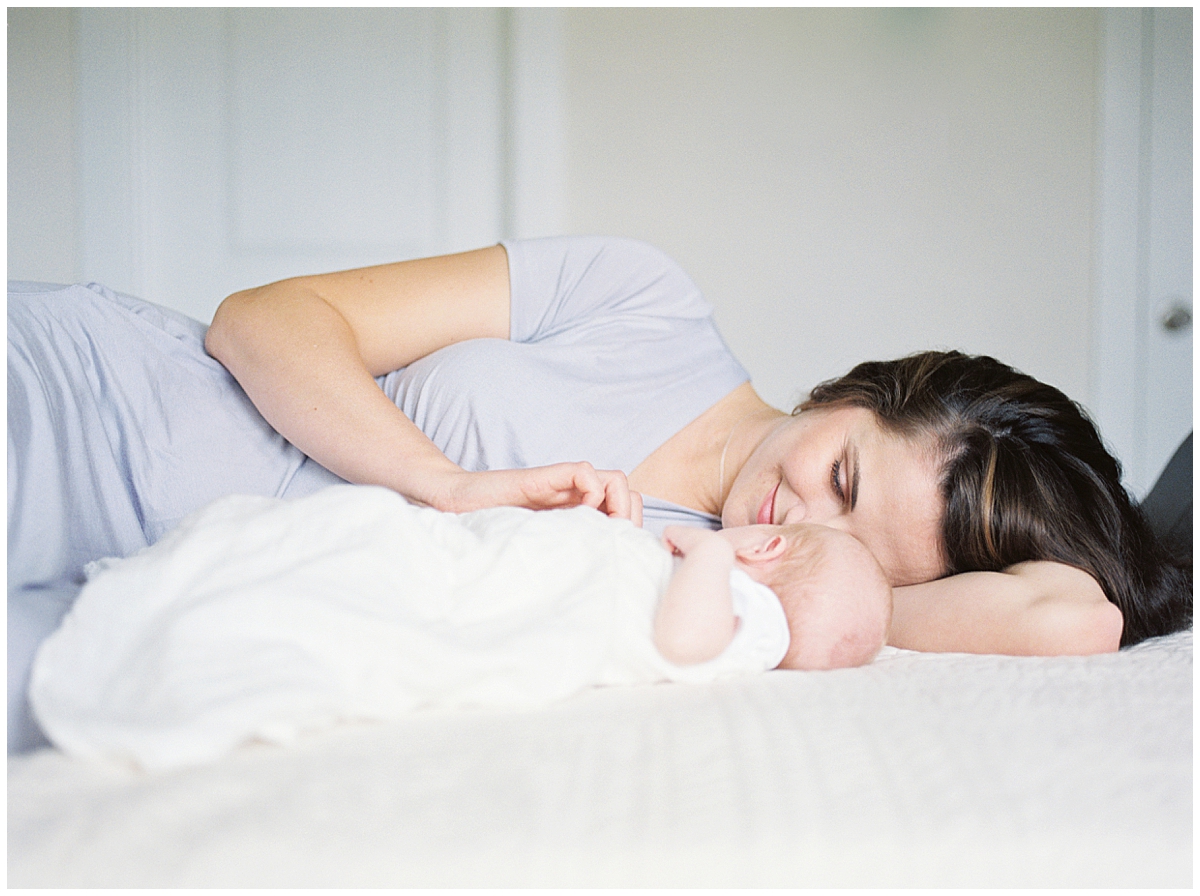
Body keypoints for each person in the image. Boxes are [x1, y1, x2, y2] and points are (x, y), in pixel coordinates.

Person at [7, 236, 1191, 750]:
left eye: (865, 553)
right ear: (860, 390)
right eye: (841, 474)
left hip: (167, 604)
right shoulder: (646, 300)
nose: (804, 521)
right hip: (96, 405)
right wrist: (447, 485)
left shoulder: (747, 595)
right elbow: (264, 322)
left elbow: (1070, 617)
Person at [29, 485, 891, 769]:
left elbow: (684, 641)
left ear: (766, 548)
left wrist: (706, 558)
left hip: (492, 587)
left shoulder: (747, 612)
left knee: (378, 578)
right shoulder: (765, 621)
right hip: (501, 557)